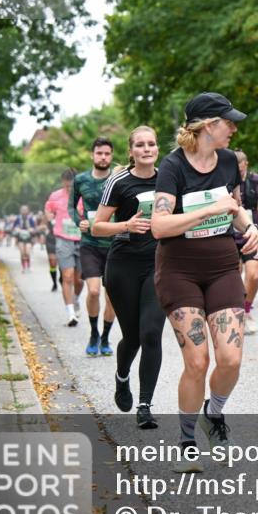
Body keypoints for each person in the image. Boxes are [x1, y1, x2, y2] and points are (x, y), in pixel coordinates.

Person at [151, 92, 258, 472]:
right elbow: (159, 226)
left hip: (222, 267)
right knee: (197, 361)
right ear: (207, 126)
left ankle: (213, 414)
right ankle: (186, 442)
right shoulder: (173, 167)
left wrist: (250, 228)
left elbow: (235, 206)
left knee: (230, 358)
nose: (233, 128)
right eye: (228, 122)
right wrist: (207, 211)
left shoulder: (228, 161)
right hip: (179, 271)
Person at [93, 126, 164, 430]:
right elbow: (97, 226)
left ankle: (145, 405)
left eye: (151, 144)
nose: (146, 149)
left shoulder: (169, 178)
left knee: (150, 334)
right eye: (140, 145)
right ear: (131, 151)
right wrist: (127, 225)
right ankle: (122, 377)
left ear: (157, 148)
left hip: (158, 264)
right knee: (132, 337)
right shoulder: (119, 181)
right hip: (122, 264)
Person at [70, 138, 118, 356]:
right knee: (94, 290)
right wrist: (78, 220)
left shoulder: (118, 179)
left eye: (107, 153)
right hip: (90, 243)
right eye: (99, 153)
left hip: (115, 245)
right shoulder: (80, 180)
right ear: (92, 155)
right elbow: (71, 207)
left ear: (112, 155)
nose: (103, 157)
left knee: (112, 297)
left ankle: (106, 337)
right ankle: (93, 333)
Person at [233, 150, 258, 335]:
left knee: (253, 275)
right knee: (234, 275)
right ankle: (234, 310)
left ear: (246, 165)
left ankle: (246, 310)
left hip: (251, 233)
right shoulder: (225, 178)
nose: (239, 174)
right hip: (230, 235)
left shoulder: (255, 180)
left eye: (241, 170)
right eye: (236, 170)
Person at [46, 169, 84, 325]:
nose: (69, 189)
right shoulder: (55, 196)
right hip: (63, 239)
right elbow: (48, 210)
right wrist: (52, 220)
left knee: (79, 279)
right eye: (66, 185)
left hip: (81, 240)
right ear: (63, 182)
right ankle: (71, 314)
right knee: (67, 276)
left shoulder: (84, 196)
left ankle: (75, 299)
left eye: (72, 186)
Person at [11, 205, 37, 272]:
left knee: (27, 252)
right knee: (22, 253)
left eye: (25, 210)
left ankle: (28, 267)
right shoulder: (18, 218)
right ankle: (23, 268)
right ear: (20, 211)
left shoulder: (30, 218)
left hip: (28, 237)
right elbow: (13, 227)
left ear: (28, 211)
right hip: (20, 237)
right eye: (23, 210)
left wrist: (31, 229)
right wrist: (17, 229)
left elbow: (34, 228)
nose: (24, 211)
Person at [38, 211, 59, 291]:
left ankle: (62, 279)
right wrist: (43, 231)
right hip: (50, 240)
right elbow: (41, 226)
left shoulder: (65, 211)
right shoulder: (48, 214)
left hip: (62, 239)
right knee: (53, 263)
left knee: (62, 264)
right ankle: (54, 283)